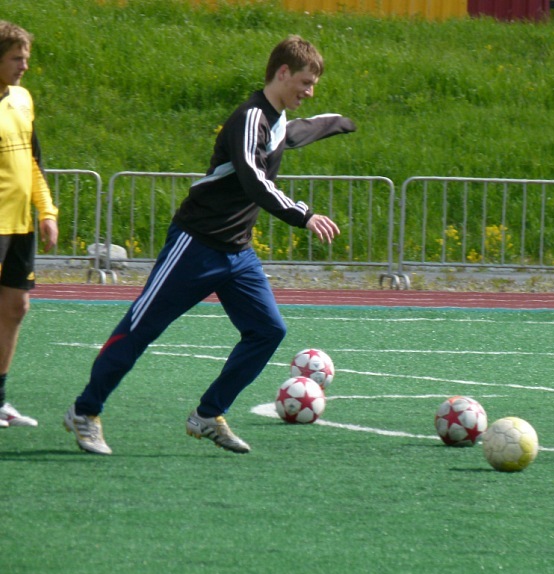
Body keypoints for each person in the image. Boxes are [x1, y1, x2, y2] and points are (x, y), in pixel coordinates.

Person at [64, 35, 355, 454]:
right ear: (283, 73)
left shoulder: (274, 120)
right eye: (305, 83)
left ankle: (207, 414)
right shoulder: (248, 118)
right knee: (139, 330)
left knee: (268, 331)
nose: (309, 92)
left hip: (238, 253)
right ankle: (84, 411)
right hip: (196, 245)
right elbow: (255, 179)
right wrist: (303, 214)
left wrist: (343, 122)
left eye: (314, 86)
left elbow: (296, 132)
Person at [0, 21, 58, 429]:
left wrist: (47, 211)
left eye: (26, 58)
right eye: (15, 58)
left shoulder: (22, 99)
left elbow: (32, 162)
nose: (24, 66)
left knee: (16, 308)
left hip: (20, 225)